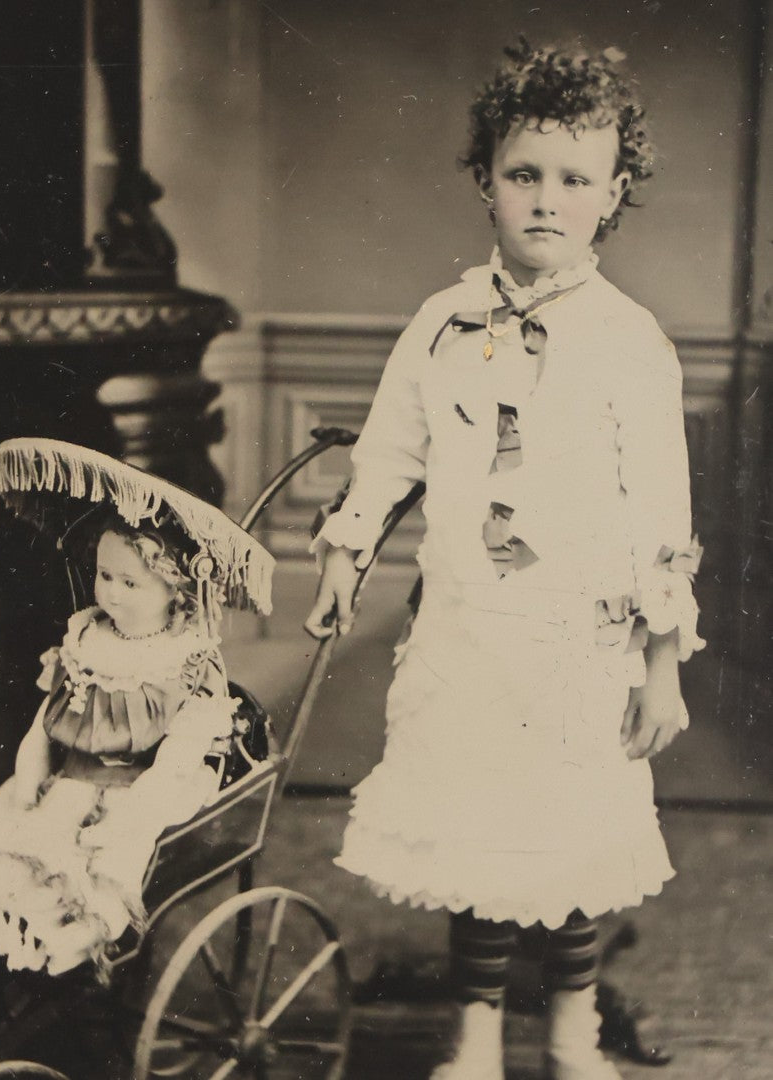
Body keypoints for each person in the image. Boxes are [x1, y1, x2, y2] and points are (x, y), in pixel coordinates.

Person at [304, 40, 704, 1080]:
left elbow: (663, 511)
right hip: (468, 635)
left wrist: (662, 661)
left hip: (582, 646)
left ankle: (573, 1034)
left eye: (575, 180)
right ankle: (472, 1043)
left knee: (568, 853)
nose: (545, 200)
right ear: (484, 180)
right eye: (523, 173)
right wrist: (345, 555)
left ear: (612, 194)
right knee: (477, 851)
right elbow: (389, 454)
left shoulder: (629, 341)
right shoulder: (442, 326)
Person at [0, 467, 272, 999]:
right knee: (11, 829)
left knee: (83, 862)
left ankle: (44, 931)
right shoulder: (86, 637)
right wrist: (26, 788)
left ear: (176, 588)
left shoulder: (183, 661)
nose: (110, 593)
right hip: (69, 780)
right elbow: (45, 726)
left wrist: (130, 819)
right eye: (104, 575)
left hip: (140, 794)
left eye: (130, 583)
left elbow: (178, 760)